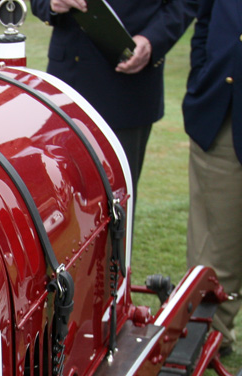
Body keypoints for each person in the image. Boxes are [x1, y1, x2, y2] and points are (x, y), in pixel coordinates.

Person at [30, 0, 190, 195]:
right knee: (57, 196)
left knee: (116, 201)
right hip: (67, 81)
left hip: (125, 87)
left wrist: (152, 40)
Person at [183, 0, 240, 356]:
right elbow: (205, 20)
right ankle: (209, 340)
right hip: (222, 113)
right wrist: (202, 79)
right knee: (213, 244)